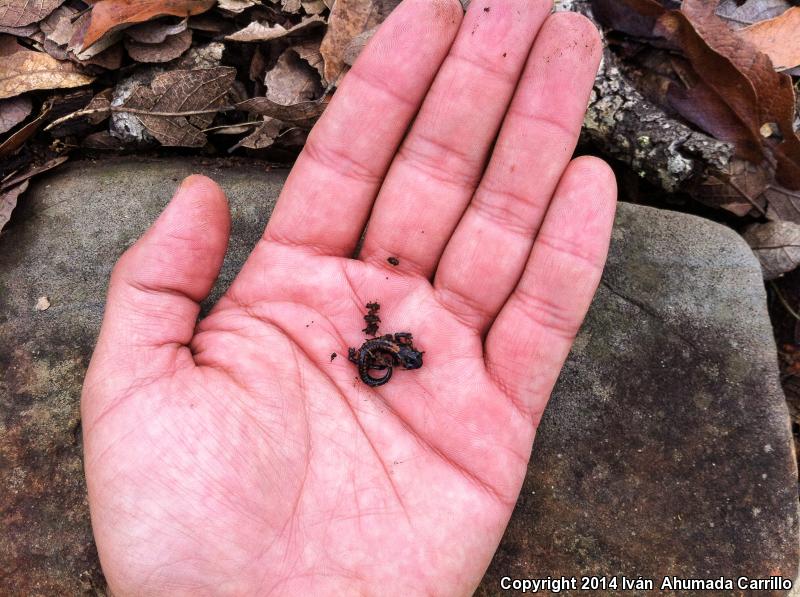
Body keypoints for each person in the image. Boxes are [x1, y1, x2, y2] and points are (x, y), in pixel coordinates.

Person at [81, 0, 617, 594]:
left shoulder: (383, 349)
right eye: (402, 357)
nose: (404, 358)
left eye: (401, 358)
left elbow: (384, 350)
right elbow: (378, 354)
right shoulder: (376, 353)